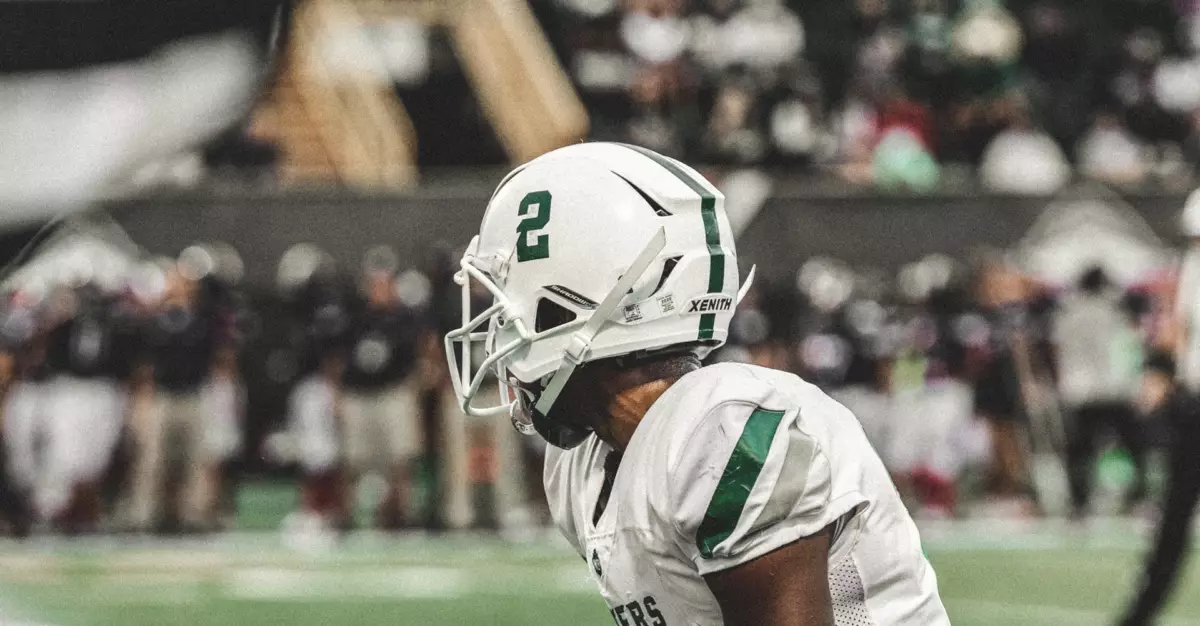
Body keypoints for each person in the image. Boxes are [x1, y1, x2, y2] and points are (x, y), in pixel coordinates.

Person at [445, 142, 949, 624]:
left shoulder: (726, 435)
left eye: (509, 311)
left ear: (587, 302)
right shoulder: (584, 463)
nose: (498, 335)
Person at [1118, 190, 1200, 626]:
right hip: (1193, 408)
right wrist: (1158, 370)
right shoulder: (1191, 268)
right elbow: (1176, 330)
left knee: (1173, 521)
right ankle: (1138, 615)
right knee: (1172, 524)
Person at [1053, 266, 1147, 519]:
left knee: (1080, 450)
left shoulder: (1068, 312)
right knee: (1133, 445)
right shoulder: (1115, 310)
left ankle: (1078, 503)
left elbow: (1059, 349)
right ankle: (1137, 497)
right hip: (1114, 387)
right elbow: (1128, 345)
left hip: (1081, 389)